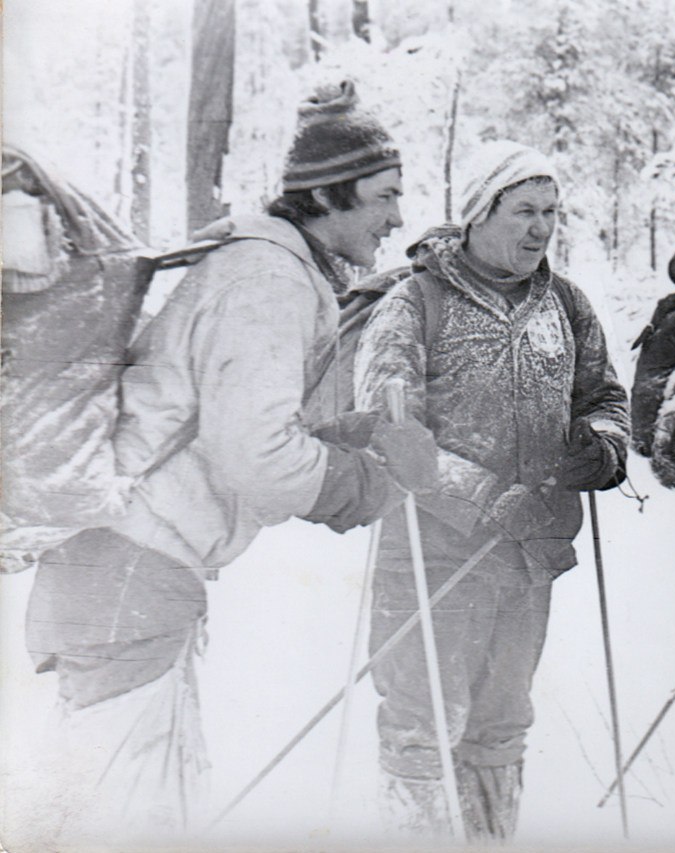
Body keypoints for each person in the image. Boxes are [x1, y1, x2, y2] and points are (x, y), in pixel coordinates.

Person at [22, 80, 437, 840]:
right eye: (384, 194)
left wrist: (356, 433)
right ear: (328, 196)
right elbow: (257, 456)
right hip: (131, 577)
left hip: (121, 573)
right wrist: (372, 482)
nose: (398, 216)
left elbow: (232, 424)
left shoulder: (266, 266)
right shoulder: (269, 279)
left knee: (104, 811)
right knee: (128, 824)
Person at [353, 140, 630, 841]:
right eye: (524, 211)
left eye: (552, 213)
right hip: (430, 560)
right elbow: (392, 428)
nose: (541, 228)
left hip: (529, 563)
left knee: (502, 725)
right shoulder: (415, 300)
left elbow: (605, 397)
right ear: (479, 212)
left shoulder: (566, 302)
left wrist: (600, 448)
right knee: (423, 728)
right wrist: (485, 497)